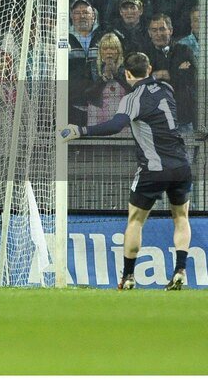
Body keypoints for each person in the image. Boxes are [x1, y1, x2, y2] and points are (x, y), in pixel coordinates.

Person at [59, 52, 192, 290]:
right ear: (149, 68)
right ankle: (180, 270)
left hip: (153, 169)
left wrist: (82, 130)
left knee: (135, 221)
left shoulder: (132, 98)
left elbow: (115, 125)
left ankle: (128, 277)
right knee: (181, 217)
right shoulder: (166, 88)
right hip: (181, 165)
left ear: (127, 74)